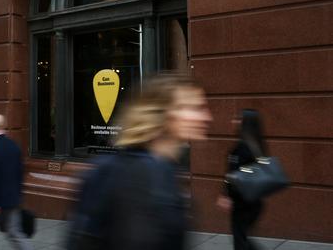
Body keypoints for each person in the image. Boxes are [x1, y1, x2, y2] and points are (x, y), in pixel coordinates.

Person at [67, 74, 212, 250]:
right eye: (194, 108)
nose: (206, 117)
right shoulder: (126, 173)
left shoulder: (165, 170)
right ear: (164, 113)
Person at [0, 114, 32, 250]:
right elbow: (19, 174)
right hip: (12, 200)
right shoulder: (14, 147)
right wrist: (18, 197)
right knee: (15, 233)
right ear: (3, 127)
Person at [217, 109, 267, 250]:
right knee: (241, 236)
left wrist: (226, 194)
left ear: (246, 123)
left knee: (239, 239)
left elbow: (233, 174)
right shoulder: (256, 145)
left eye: (238, 119)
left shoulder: (243, 147)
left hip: (243, 202)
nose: (234, 121)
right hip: (253, 200)